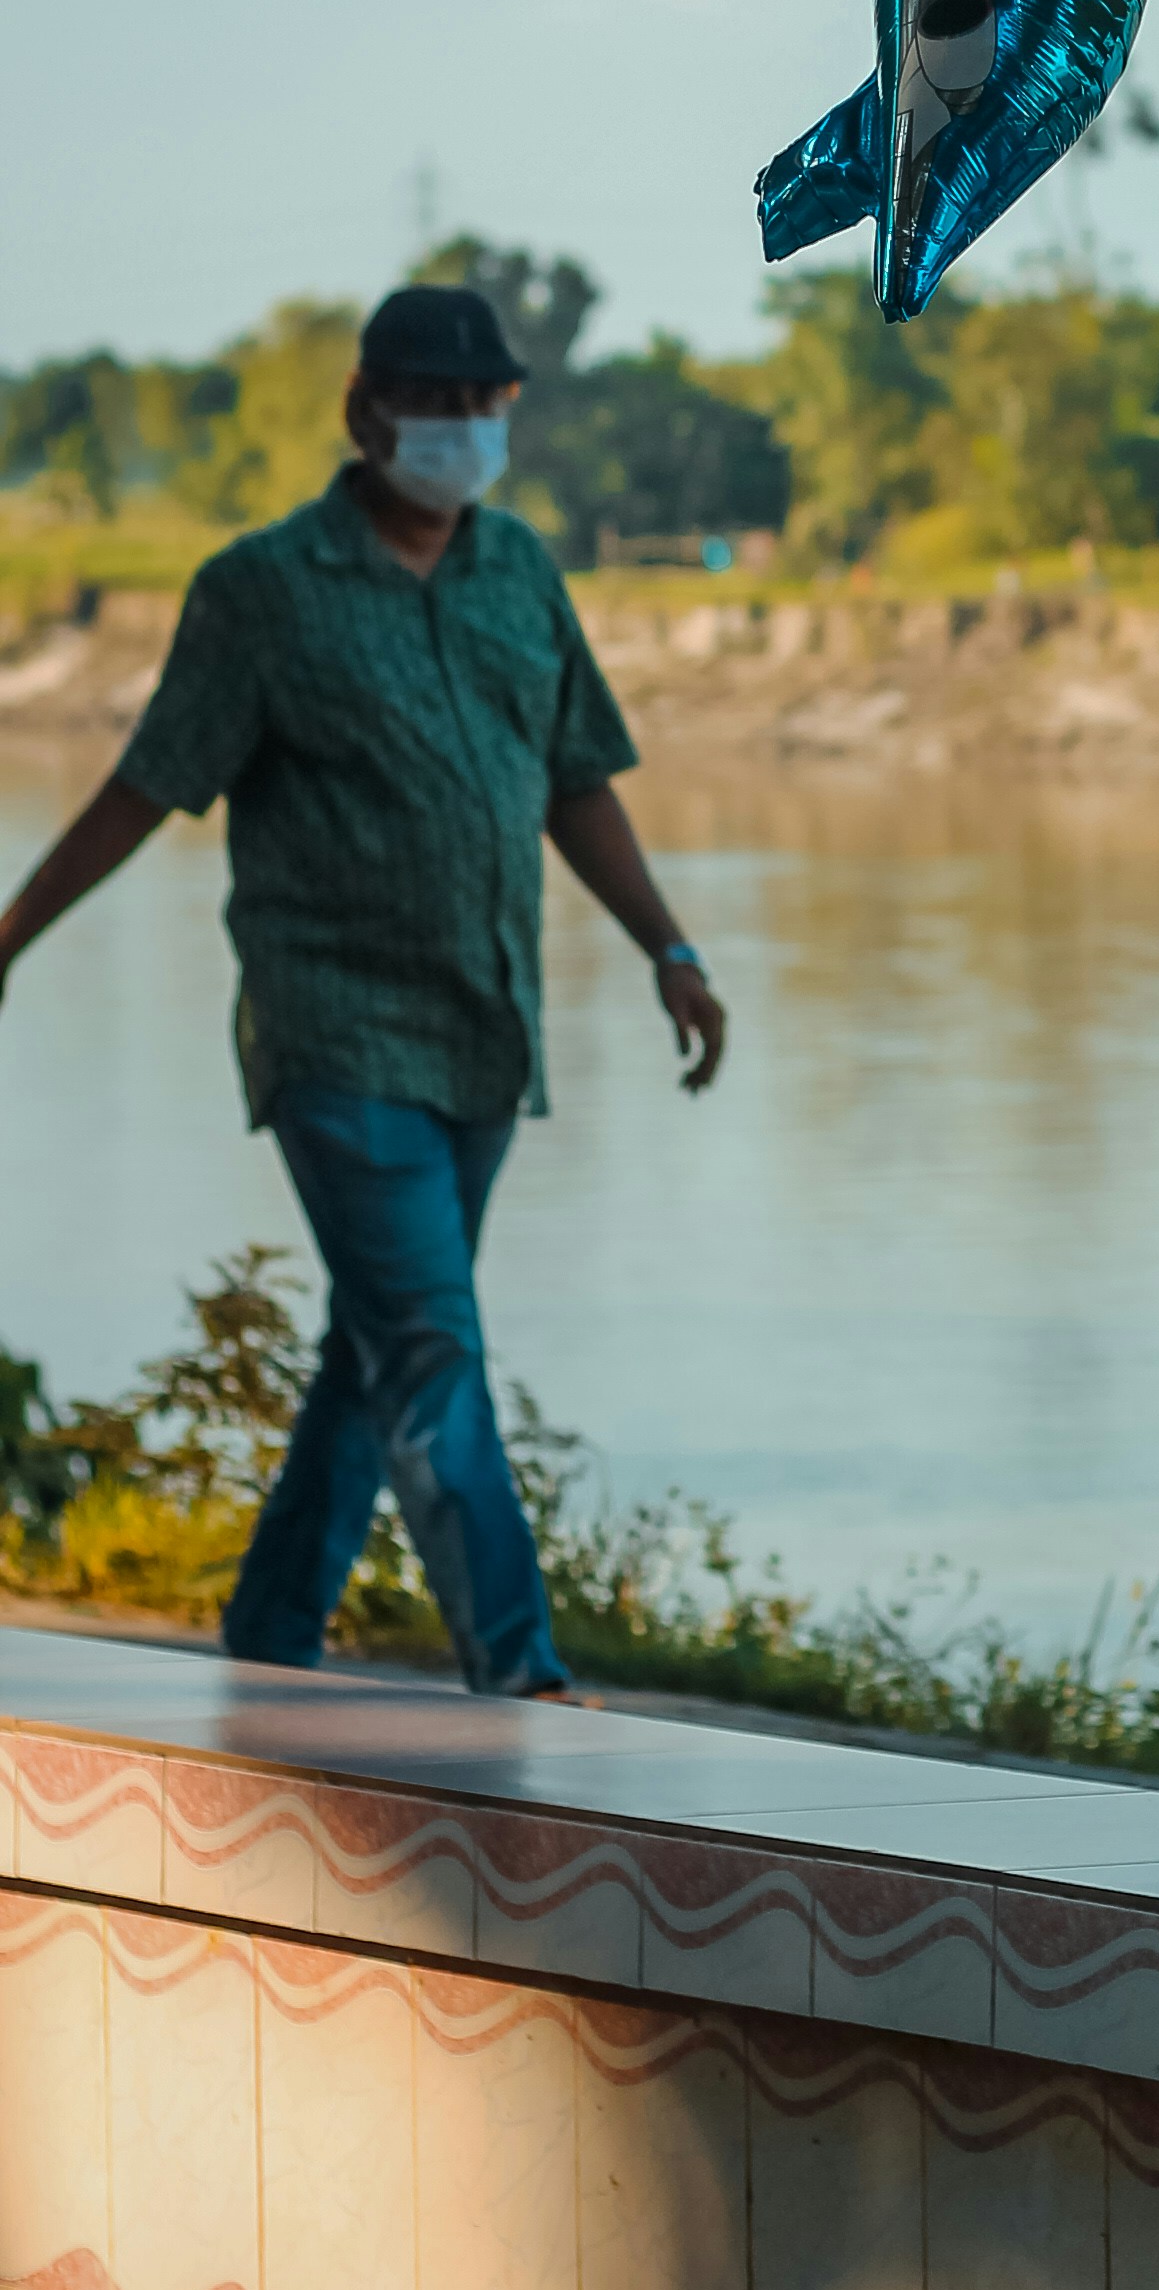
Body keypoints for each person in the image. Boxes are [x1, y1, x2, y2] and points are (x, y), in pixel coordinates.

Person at [0, 280, 724, 1697]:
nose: (459, 429)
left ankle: (268, 1643)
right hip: (335, 1033)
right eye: (432, 402)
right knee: (434, 1343)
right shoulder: (263, 592)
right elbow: (149, 785)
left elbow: (575, 782)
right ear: (364, 410)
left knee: (378, 1347)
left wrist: (671, 950)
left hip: (482, 1033)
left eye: (483, 405)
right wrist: (14, 929)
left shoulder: (520, 574)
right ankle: (523, 1678)